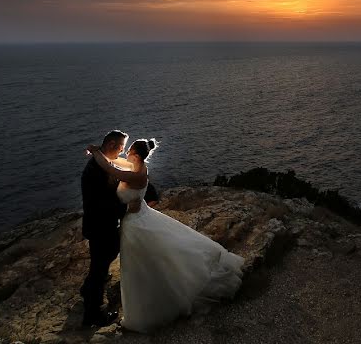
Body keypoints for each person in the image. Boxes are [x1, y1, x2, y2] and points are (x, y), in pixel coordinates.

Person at [86, 138, 244, 333]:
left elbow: (111, 170)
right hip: (137, 219)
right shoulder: (136, 166)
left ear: (135, 154)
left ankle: (152, 305)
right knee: (149, 260)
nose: (124, 153)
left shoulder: (137, 175)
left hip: (136, 224)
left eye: (128, 151)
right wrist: (101, 152)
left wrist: (95, 152)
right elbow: (113, 162)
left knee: (142, 265)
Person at [79, 130, 159, 326]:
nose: (123, 151)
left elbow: (136, 177)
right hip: (100, 226)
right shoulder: (95, 171)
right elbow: (99, 203)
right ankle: (92, 315)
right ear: (113, 144)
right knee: (99, 269)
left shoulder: (104, 163)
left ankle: (88, 289)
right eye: (122, 146)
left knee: (102, 264)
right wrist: (126, 206)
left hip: (106, 225)